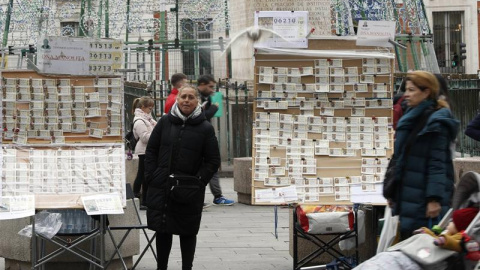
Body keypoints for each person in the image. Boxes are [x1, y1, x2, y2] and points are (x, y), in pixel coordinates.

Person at [144, 85, 220, 270]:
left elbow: (213, 160)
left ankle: (187, 267)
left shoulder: (205, 128)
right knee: (163, 230)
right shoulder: (164, 123)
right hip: (162, 186)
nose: (186, 100)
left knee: (187, 231)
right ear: (177, 100)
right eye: (183, 96)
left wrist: (199, 181)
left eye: (191, 97)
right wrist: (153, 175)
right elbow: (151, 150)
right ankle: (161, 267)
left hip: (189, 189)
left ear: (197, 102)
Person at [390, 70, 459, 240]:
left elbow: (438, 163)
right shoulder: (410, 116)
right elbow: (399, 157)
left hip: (424, 199)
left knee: (422, 248)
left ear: (426, 92)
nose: (406, 95)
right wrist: (392, 190)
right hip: (409, 193)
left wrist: (433, 199)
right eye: (406, 89)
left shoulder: (437, 121)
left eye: (412, 90)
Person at [197, 75, 235, 206]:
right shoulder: (194, 98)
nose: (212, 89)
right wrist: (213, 108)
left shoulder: (205, 98)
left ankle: (217, 196)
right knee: (200, 169)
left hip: (204, 139)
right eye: (210, 86)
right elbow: (201, 117)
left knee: (212, 167)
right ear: (202, 85)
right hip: (197, 140)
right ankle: (201, 197)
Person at [132, 96, 157, 210]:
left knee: (143, 174)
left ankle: (140, 197)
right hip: (144, 151)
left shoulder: (148, 119)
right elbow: (144, 138)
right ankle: (138, 196)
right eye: (149, 108)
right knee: (143, 175)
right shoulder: (139, 121)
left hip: (148, 150)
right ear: (143, 107)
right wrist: (157, 133)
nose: (150, 111)